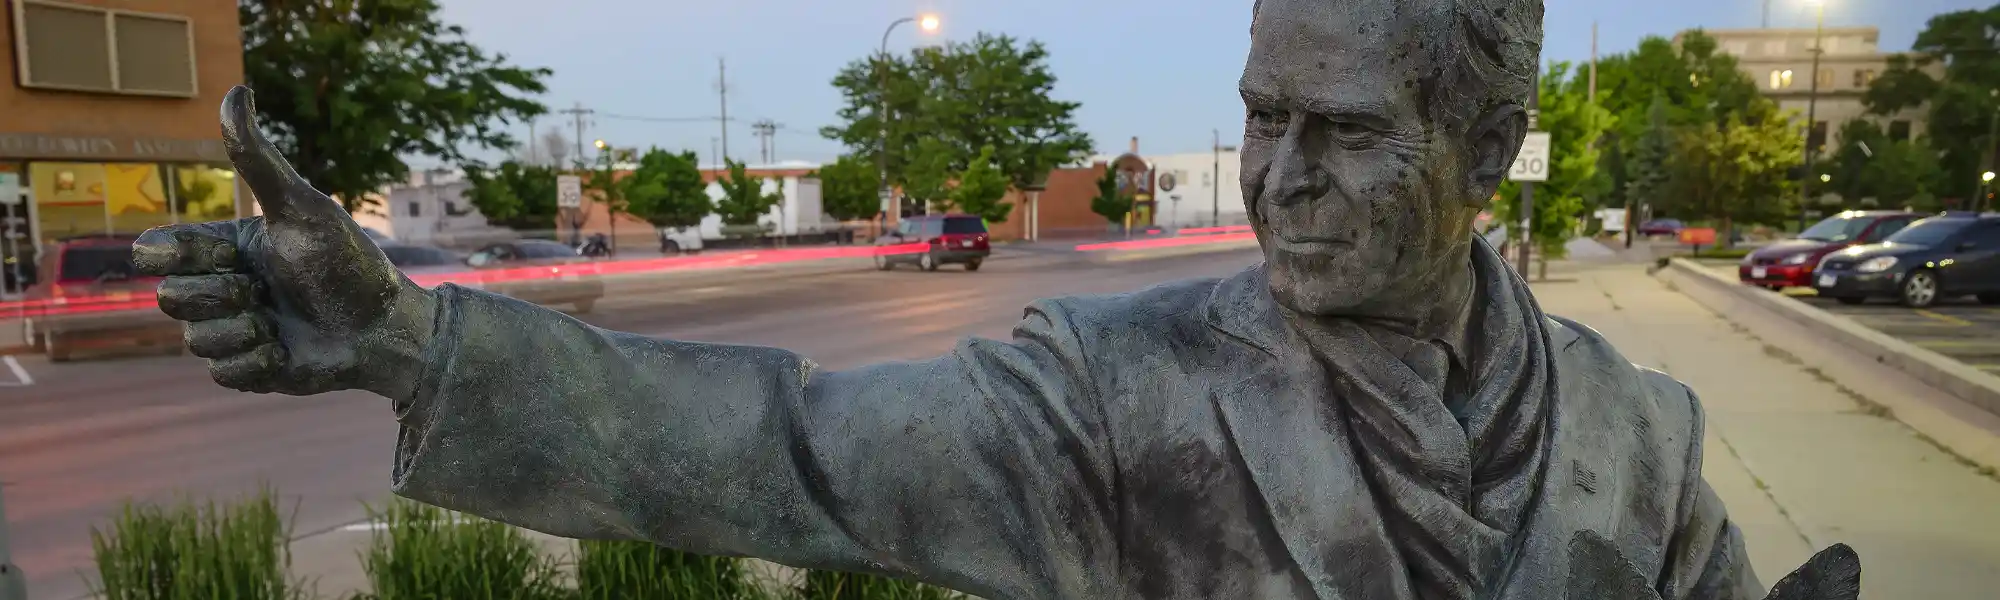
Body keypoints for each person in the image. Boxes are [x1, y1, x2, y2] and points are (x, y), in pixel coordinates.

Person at [134, 1, 1858, 598]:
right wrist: (412, 339)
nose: (1276, 181)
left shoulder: (1641, 434)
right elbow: (787, 444)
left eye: (1341, 134)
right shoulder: (1116, 395)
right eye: (1262, 120)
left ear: (1483, 146)